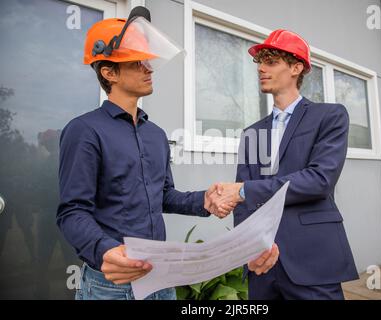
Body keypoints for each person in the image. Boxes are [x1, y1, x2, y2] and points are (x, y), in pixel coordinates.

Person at [57, 7, 278, 300]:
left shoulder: (156, 135)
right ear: (109, 72)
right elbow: (72, 212)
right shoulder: (84, 130)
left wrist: (205, 200)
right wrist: (104, 250)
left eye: (147, 60)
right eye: (137, 63)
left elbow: (163, 195)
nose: (149, 68)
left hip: (161, 279)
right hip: (111, 285)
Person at [208, 29, 359, 300]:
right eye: (260, 62)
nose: (261, 68)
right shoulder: (251, 132)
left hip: (312, 259)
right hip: (262, 264)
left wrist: (243, 190)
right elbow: (242, 204)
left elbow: (318, 181)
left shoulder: (330, 116)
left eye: (271, 61)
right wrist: (248, 249)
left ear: (296, 67)